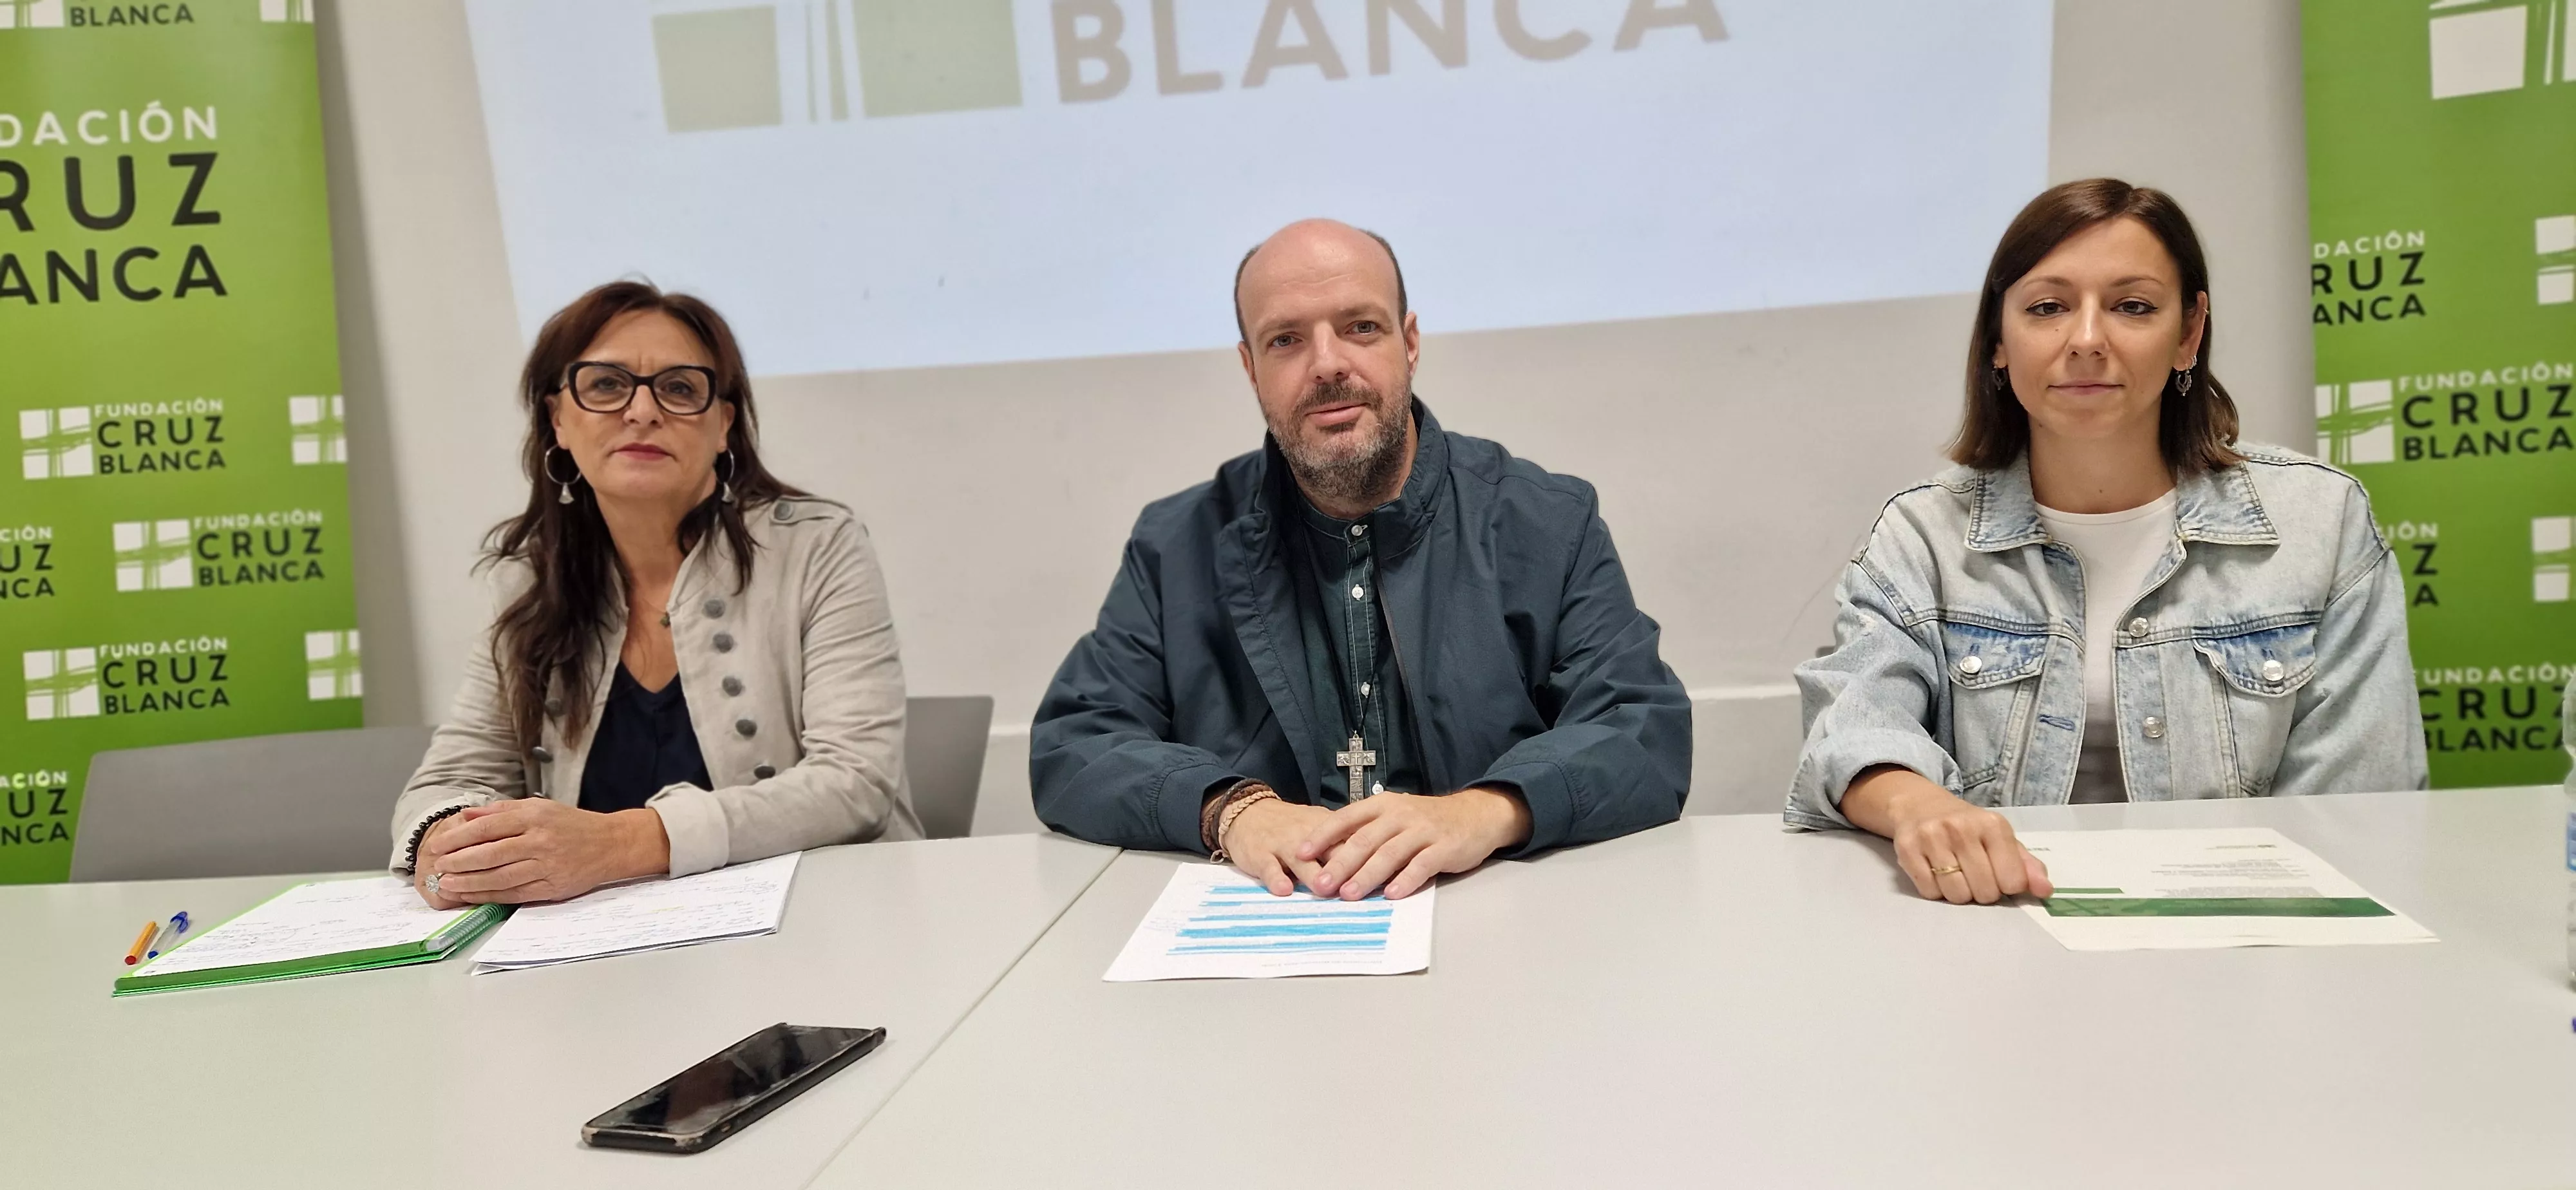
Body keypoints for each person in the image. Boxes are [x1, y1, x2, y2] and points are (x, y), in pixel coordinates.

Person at [1787, 178, 2425, 904]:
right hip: (1998, 930)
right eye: (2047, 307)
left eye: (2133, 307)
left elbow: (2362, 801)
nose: (2086, 340)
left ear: (2188, 332)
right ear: (1998, 340)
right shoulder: (1923, 535)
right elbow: (1852, 720)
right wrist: (1921, 808)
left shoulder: (2319, 520)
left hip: (2253, 935)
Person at [1032, 219, 1691, 900]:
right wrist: (1230, 812)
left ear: (1409, 344)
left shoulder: (1547, 522)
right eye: (1285, 340)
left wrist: (1486, 811)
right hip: (1267, 940)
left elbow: (1640, 730)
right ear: (1249, 367)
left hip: (1493, 923)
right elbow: (1075, 743)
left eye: (1361, 328)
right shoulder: (1177, 544)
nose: (1326, 364)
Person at [390, 281, 920, 907]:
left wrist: (620, 844)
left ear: (724, 425)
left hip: (821, 920)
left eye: (679, 388)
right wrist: (446, 843)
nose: (642, 411)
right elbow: (453, 777)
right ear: (558, 419)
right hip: (591, 948)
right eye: (607, 384)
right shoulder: (528, 579)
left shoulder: (818, 547)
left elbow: (853, 782)